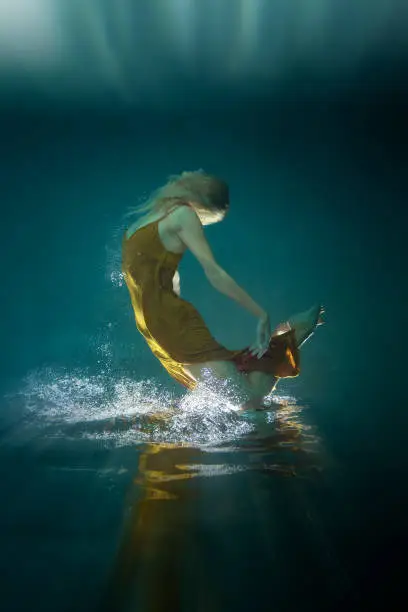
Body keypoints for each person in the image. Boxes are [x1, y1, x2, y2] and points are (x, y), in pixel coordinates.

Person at [122, 170, 324, 411]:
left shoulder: (142, 220)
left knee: (240, 396)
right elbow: (214, 273)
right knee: (247, 400)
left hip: (152, 323)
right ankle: (290, 337)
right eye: (206, 216)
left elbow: (155, 275)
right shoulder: (182, 215)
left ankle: (286, 339)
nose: (201, 220)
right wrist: (262, 315)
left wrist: (167, 293)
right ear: (203, 204)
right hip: (169, 324)